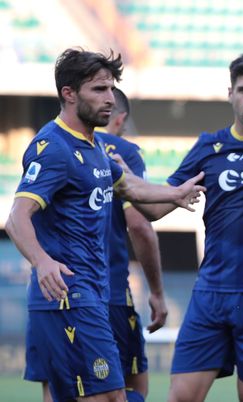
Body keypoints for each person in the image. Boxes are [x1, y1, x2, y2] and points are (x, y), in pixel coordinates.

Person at [8, 48, 205, 402]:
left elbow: (129, 186)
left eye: (112, 89)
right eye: (99, 90)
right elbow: (17, 218)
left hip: (94, 294)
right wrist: (42, 261)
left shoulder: (96, 147)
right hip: (71, 295)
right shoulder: (52, 147)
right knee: (114, 396)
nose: (110, 99)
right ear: (69, 93)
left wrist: (175, 193)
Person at [149, 53, 243, 402]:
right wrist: (123, 181)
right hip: (211, 292)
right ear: (230, 93)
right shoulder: (209, 147)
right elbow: (156, 208)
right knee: (180, 396)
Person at [96, 87, 168, 402]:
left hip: (52, 297)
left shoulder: (54, 145)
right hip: (108, 293)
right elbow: (139, 224)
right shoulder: (120, 151)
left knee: (59, 391)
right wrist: (156, 292)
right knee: (131, 391)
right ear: (120, 118)